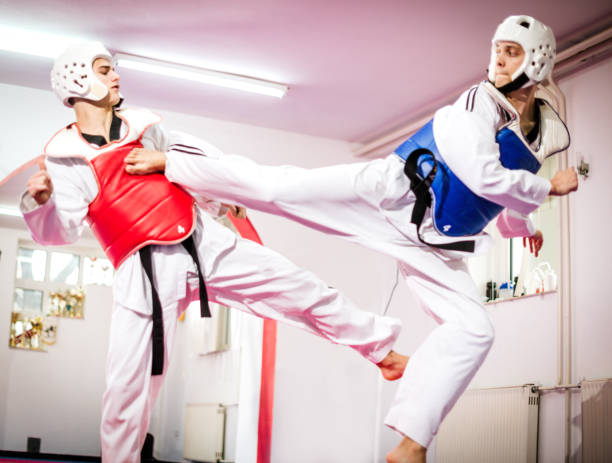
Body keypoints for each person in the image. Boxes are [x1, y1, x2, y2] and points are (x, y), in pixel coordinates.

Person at [126, 15, 579, 463]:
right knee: (276, 189)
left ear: (537, 62)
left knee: (476, 329)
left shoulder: (538, 137)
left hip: (433, 243)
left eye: (511, 52)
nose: (498, 60)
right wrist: (548, 190)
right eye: (497, 48)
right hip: (389, 194)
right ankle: (175, 164)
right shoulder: (477, 102)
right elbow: (483, 174)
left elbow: (505, 203)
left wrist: (528, 227)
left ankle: (411, 443)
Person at [21, 42, 407, 463]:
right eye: (103, 69)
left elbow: (200, 165)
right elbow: (59, 233)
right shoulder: (66, 159)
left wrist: (210, 192)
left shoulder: (147, 128)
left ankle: (380, 350)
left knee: (301, 286)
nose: (115, 77)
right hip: (143, 273)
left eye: (113, 69)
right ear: (77, 79)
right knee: (126, 389)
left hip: (204, 243)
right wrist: (40, 204)